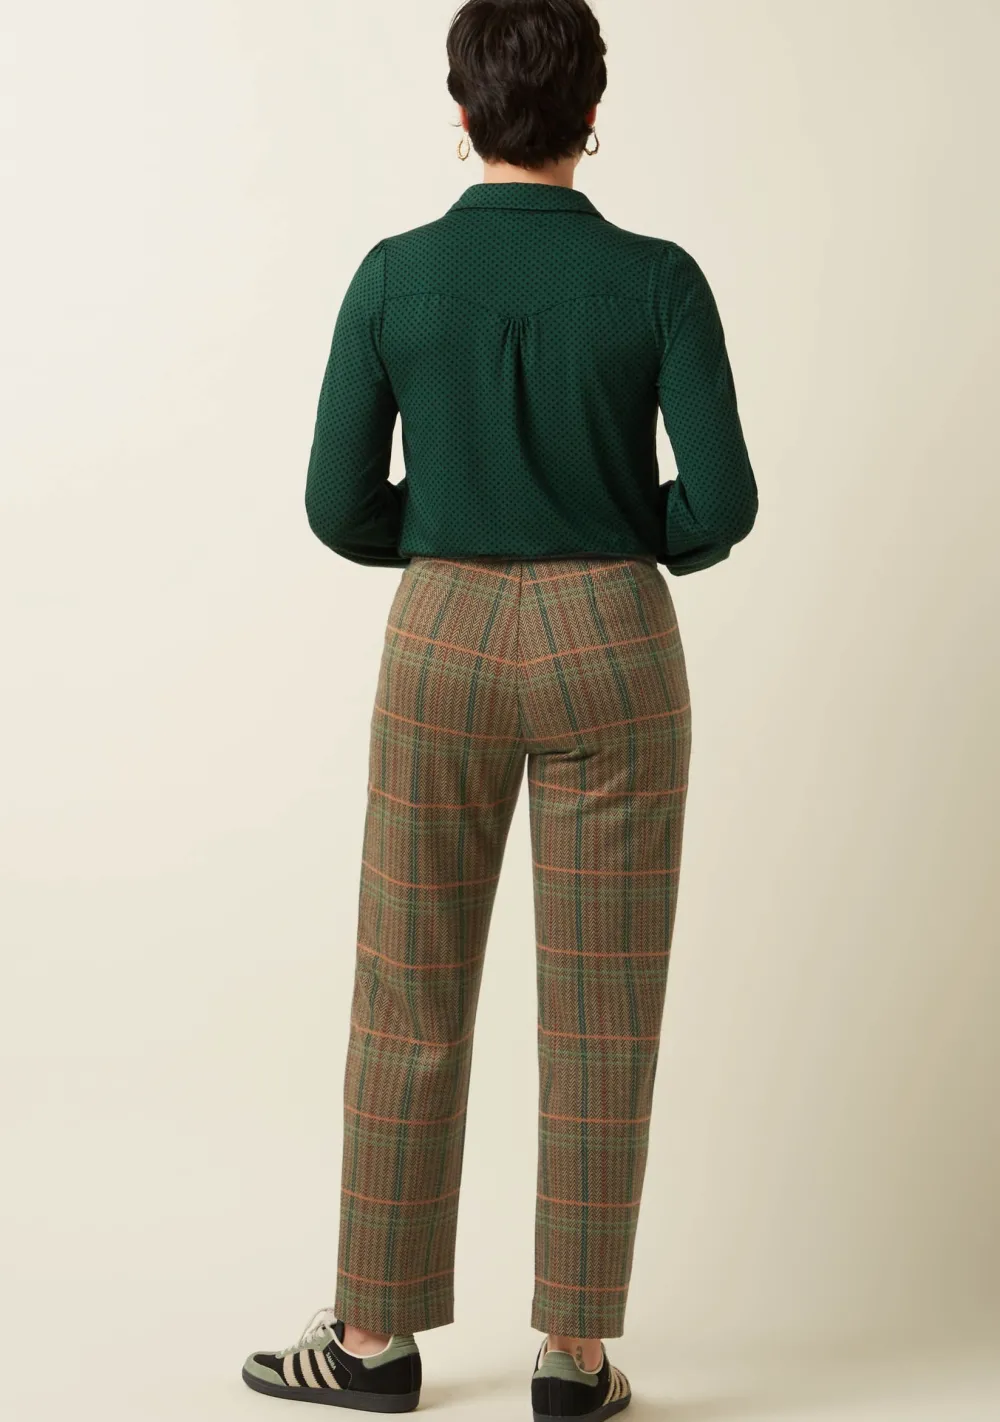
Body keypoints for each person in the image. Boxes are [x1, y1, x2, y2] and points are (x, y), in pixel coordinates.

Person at [241, 0, 757, 1415]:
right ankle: (573, 1356)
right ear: (593, 114)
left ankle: (373, 1340)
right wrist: (619, 528)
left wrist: (448, 526)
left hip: (443, 637)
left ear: (462, 115)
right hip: (615, 640)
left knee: (408, 988)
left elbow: (336, 503)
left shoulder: (395, 276)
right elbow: (722, 499)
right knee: (604, 1006)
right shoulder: (658, 281)